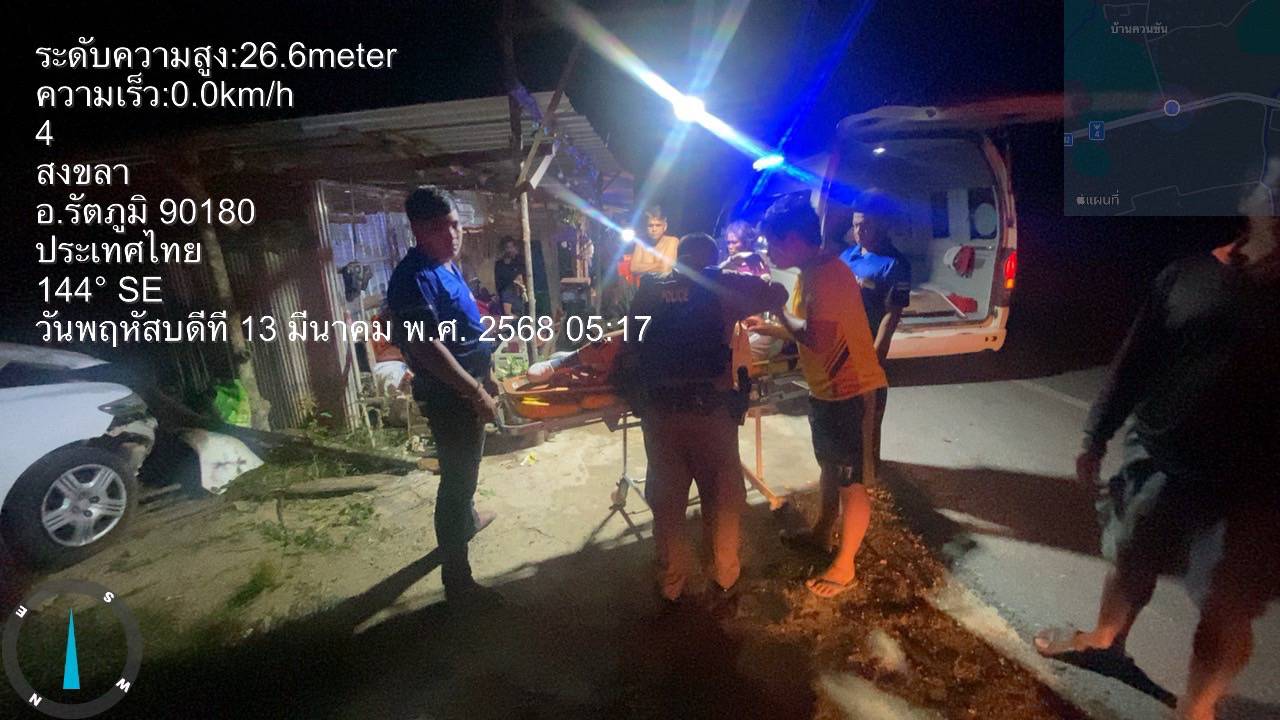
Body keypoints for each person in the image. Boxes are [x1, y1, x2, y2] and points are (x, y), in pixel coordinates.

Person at [1033, 216, 1279, 720]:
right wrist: (1096, 434)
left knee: (1227, 606)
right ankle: (1105, 643)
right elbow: (1136, 359)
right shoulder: (1188, 276)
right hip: (1159, 455)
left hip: (1255, 489)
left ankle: (1197, 710)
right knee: (1131, 555)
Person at [617, 233, 788, 613]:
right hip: (711, 412)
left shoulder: (650, 287)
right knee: (723, 498)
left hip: (660, 414)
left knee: (667, 501)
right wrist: (733, 278)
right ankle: (725, 577)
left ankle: (671, 583)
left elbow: (631, 342)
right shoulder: (723, 284)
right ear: (711, 259)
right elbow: (777, 293)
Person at [745, 194, 888, 599]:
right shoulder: (812, 273)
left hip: (852, 392)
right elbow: (811, 330)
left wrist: (777, 310)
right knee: (831, 468)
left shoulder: (825, 276)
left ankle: (845, 567)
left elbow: (818, 339)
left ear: (792, 238)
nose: (769, 252)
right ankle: (823, 533)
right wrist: (772, 326)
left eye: (772, 243)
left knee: (851, 482)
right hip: (829, 391)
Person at [386, 186, 502, 606]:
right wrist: (475, 391)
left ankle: (467, 522)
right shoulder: (412, 279)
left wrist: (488, 374)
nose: (452, 235)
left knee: (467, 471)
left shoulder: (446, 266)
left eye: (455, 225)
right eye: (439, 228)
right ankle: (458, 581)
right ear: (418, 230)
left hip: (469, 386)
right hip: (450, 396)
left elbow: (464, 328)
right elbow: (425, 347)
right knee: (456, 483)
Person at [627, 205, 680, 278]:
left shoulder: (672, 241)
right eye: (650, 225)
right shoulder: (641, 243)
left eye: (658, 225)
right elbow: (633, 268)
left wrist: (642, 267)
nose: (654, 229)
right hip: (644, 284)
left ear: (665, 226)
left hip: (664, 284)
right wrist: (658, 264)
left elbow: (665, 268)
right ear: (646, 227)